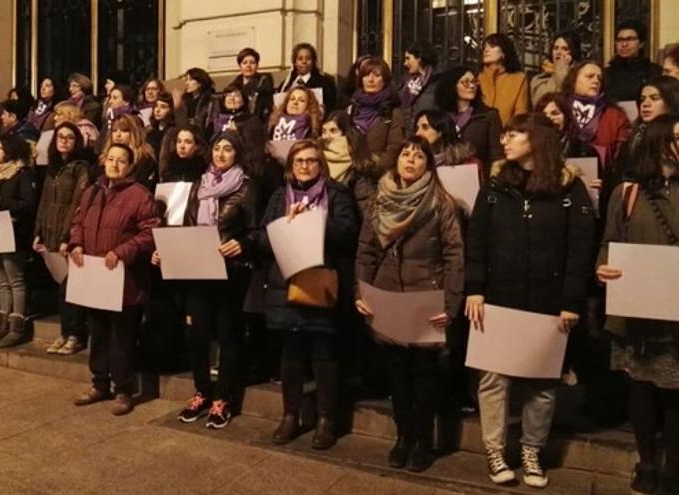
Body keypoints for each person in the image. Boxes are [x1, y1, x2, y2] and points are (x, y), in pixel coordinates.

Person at [465, 114, 595, 488]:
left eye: (515, 134)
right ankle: (494, 450)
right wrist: (476, 288)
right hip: (499, 296)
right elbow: (478, 239)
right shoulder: (495, 185)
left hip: (547, 299)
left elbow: (579, 249)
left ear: (536, 139)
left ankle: (531, 450)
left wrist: (571, 299)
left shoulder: (569, 189)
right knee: (493, 378)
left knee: (542, 382)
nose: (505, 140)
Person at [356, 136, 464, 472]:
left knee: (425, 374)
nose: (411, 161)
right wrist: (361, 293)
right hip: (388, 295)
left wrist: (451, 302)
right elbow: (366, 250)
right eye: (405, 155)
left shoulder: (440, 201)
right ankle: (402, 437)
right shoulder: (380, 199)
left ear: (428, 164)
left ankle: (422, 441)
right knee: (397, 374)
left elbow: (454, 254)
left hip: (425, 296)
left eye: (419, 156)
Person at [253, 140, 358, 450]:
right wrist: (287, 224)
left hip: (320, 283)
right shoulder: (278, 197)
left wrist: (314, 221)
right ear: (290, 166)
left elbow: (348, 231)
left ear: (320, 165)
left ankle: (326, 419)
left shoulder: (337, 194)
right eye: (299, 161)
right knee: (292, 353)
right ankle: (290, 415)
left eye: (311, 161)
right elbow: (261, 237)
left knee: (324, 354)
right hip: (285, 283)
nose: (304, 166)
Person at [596, 114, 679, 494]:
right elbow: (609, 243)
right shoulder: (627, 193)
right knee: (641, 388)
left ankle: (674, 468)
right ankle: (646, 463)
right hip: (637, 310)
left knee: (675, 391)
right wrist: (603, 269)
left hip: (675, 311)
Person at [164, 131, 256, 429]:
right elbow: (183, 224)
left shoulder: (246, 186)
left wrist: (243, 243)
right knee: (196, 334)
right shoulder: (198, 186)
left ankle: (224, 397)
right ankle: (202, 390)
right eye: (217, 148)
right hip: (198, 268)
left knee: (228, 334)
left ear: (237, 154)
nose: (221, 153)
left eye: (228, 149)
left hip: (231, 270)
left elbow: (257, 229)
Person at [70, 143, 159, 416]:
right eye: (111, 159)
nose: (115, 164)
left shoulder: (140, 195)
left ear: (131, 166)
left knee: (122, 337)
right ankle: (99, 383)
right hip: (94, 275)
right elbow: (77, 223)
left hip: (125, 279)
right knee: (98, 333)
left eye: (121, 161)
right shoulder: (91, 192)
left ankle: (123, 389)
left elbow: (150, 231)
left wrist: (122, 252)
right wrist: (76, 244)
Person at [33, 122, 93, 355]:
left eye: (70, 137)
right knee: (62, 287)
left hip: (67, 236)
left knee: (71, 287)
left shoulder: (81, 168)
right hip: (49, 233)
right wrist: (38, 231)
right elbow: (44, 202)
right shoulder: (53, 168)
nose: (64, 141)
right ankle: (64, 332)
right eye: (60, 137)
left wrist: (67, 237)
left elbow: (78, 204)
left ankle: (75, 334)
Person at [0, 135, 36, 347]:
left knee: (15, 280)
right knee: (2, 281)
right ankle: (2, 324)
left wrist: (2, 205)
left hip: (15, 234)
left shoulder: (22, 172)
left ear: (10, 151)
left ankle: (17, 325)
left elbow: (28, 204)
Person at [563, 60, 631, 179]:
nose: (595, 81)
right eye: (590, 76)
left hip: (605, 182)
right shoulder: (559, 109)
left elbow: (622, 159)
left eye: (599, 79)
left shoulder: (615, 116)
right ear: (573, 81)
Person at [435, 66, 504, 173]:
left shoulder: (488, 115)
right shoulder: (441, 116)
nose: (472, 86)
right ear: (452, 86)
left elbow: (497, 156)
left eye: (474, 82)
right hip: (443, 174)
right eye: (466, 82)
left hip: (476, 176)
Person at [346, 56, 404, 175]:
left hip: (375, 174)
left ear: (385, 80)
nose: (371, 80)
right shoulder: (352, 108)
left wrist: (374, 167)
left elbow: (395, 147)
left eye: (377, 76)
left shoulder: (392, 112)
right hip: (348, 171)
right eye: (366, 75)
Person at [604, 19, 662, 103]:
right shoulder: (606, 74)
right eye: (620, 40)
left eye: (629, 39)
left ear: (641, 43)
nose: (624, 44)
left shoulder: (654, 71)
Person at [478, 33, 529, 125]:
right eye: (485, 47)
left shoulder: (518, 78)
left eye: (492, 46)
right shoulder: (477, 77)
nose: (486, 50)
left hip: (505, 134)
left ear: (504, 52)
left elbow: (521, 113)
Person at [319, 111, 375, 192]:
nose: (326, 136)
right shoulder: (315, 156)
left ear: (345, 133)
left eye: (333, 131)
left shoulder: (358, 164)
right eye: (324, 131)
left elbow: (364, 200)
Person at [98, 114, 156, 190]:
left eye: (124, 130)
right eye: (114, 131)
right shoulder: (104, 157)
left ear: (134, 133)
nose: (118, 135)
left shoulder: (145, 159)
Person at [534, 92, 599, 159]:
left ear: (567, 117)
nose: (549, 118)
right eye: (543, 115)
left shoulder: (584, 152)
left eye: (555, 113)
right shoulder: (531, 151)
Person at [277, 43, 337, 113]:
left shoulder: (325, 83)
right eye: (300, 59)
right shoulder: (285, 85)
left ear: (313, 62)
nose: (304, 62)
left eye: (308, 59)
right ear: (295, 63)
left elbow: (330, 108)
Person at [414, 109, 481, 169]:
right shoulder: (412, 160)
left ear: (441, 131)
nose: (417, 133)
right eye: (417, 129)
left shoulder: (467, 163)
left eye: (425, 127)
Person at [530, 31, 582, 108]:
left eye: (565, 49)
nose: (558, 52)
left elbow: (567, 95)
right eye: (556, 48)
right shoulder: (540, 79)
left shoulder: (579, 77)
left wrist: (562, 67)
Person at [399, 42, 440, 136]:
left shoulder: (438, 82)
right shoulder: (408, 83)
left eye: (408, 58)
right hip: (412, 137)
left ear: (420, 58)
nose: (405, 63)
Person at [228, 47, 275, 121]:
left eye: (252, 63)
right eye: (244, 63)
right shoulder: (233, 87)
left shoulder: (265, 85)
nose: (248, 66)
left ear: (257, 65)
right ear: (240, 66)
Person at [146, 92, 175, 159]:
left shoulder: (173, 132)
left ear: (171, 110)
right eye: (156, 106)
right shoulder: (149, 131)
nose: (157, 110)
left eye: (163, 107)